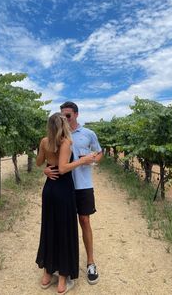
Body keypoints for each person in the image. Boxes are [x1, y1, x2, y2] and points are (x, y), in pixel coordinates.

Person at [36, 112, 96, 295]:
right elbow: (62, 169)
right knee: (64, 230)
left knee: (49, 228)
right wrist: (83, 160)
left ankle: (47, 275)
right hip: (63, 190)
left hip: (49, 189)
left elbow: (39, 162)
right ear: (63, 125)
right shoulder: (66, 142)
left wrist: (47, 168)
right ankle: (62, 281)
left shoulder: (44, 141)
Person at [44, 102, 103, 285]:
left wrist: (92, 161)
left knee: (84, 221)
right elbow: (48, 158)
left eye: (67, 115)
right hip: (63, 188)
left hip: (83, 185)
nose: (65, 119)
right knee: (63, 226)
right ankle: (64, 265)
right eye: (62, 116)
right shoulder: (57, 136)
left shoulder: (88, 134)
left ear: (76, 115)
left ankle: (90, 262)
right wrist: (45, 170)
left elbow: (99, 152)